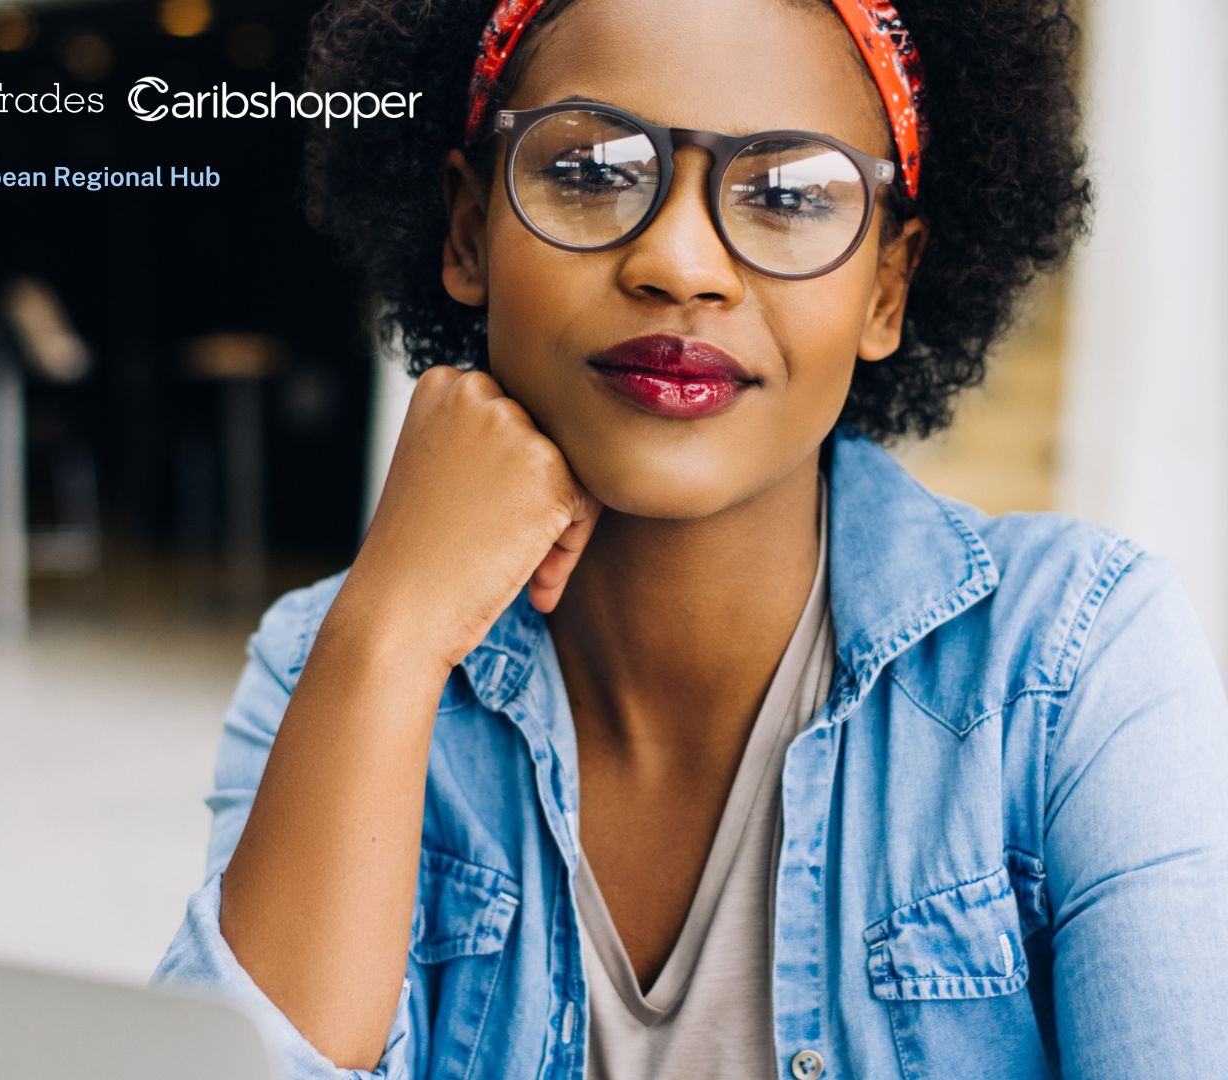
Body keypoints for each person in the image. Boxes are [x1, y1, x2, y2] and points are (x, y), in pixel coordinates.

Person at [151, 0, 1228, 1076]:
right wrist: (389, 634)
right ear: (469, 229)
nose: (678, 262)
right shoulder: (327, 658)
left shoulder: (1073, 664)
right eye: (589, 170)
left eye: (791, 194)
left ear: (887, 287)